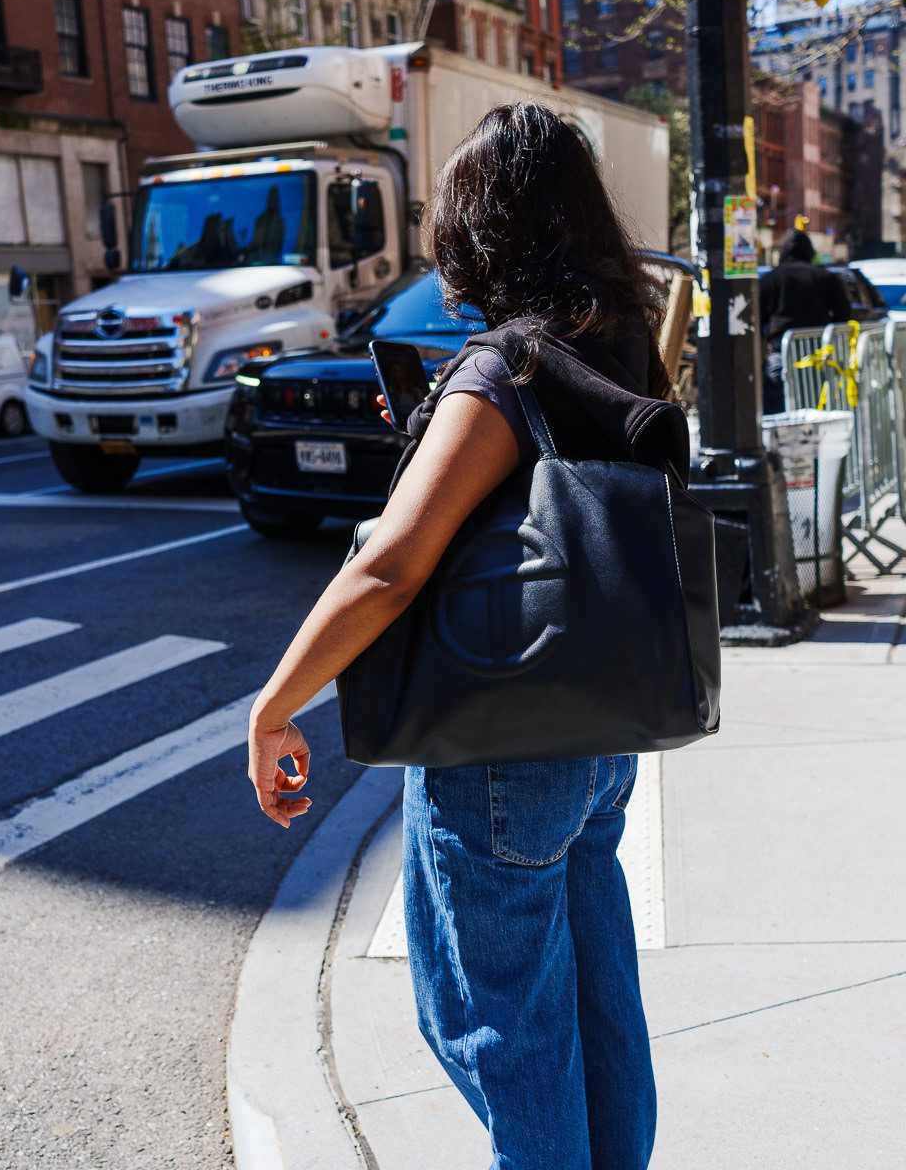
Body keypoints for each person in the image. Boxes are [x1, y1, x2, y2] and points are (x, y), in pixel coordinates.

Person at [246, 102, 667, 1169]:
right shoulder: (620, 344)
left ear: (478, 224)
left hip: (495, 751)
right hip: (599, 734)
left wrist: (275, 701)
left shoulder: (502, 368)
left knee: (499, 1036)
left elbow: (389, 565)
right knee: (597, 1016)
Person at [759, 229, 851, 414]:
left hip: (781, 352)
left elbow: (757, 318)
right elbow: (843, 313)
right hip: (818, 352)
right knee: (817, 403)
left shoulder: (771, 279)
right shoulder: (825, 277)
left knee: (778, 405)